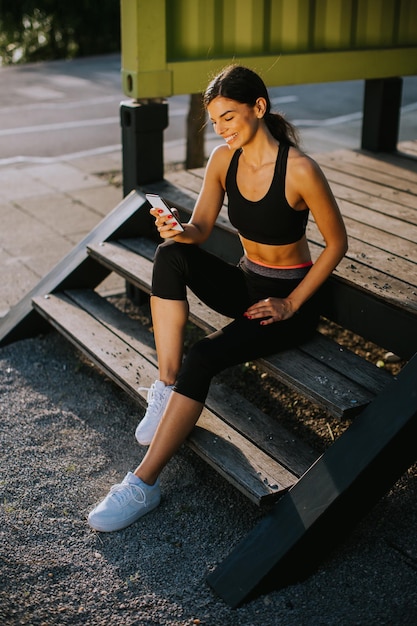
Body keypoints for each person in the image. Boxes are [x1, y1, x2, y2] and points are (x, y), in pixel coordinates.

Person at [88, 65, 348, 532]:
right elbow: (201, 230)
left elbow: (337, 244)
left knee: (204, 355)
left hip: (289, 302)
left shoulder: (300, 170)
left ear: (259, 108)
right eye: (216, 121)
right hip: (248, 284)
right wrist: (177, 229)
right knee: (171, 255)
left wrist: (292, 304)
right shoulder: (223, 161)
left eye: (230, 116)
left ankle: (143, 484)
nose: (223, 129)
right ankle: (166, 387)